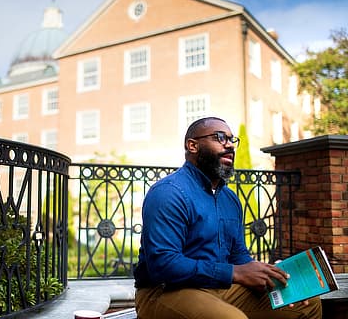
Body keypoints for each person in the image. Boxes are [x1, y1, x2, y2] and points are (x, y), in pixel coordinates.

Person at [133, 117, 322, 319]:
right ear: (192, 145)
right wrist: (234, 273)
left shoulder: (230, 199)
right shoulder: (169, 193)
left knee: (308, 304)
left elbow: (238, 256)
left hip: (219, 287)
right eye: (220, 137)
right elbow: (164, 264)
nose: (230, 145)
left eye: (232, 140)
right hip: (164, 291)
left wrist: (266, 275)